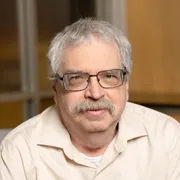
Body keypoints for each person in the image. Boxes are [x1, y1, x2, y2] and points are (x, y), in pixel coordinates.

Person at [0, 18, 180, 180]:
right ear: (56, 90)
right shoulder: (19, 151)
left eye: (109, 76)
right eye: (77, 78)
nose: (95, 93)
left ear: (125, 85)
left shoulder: (168, 137)